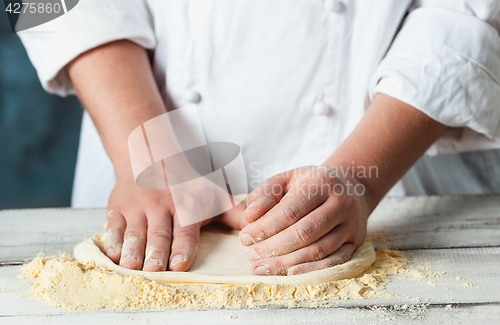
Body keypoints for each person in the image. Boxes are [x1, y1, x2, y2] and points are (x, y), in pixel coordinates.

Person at [19, 0, 500, 276]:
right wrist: (148, 152)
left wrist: (359, 177)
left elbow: (464, 12)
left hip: (396, 160)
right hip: (141, 159)